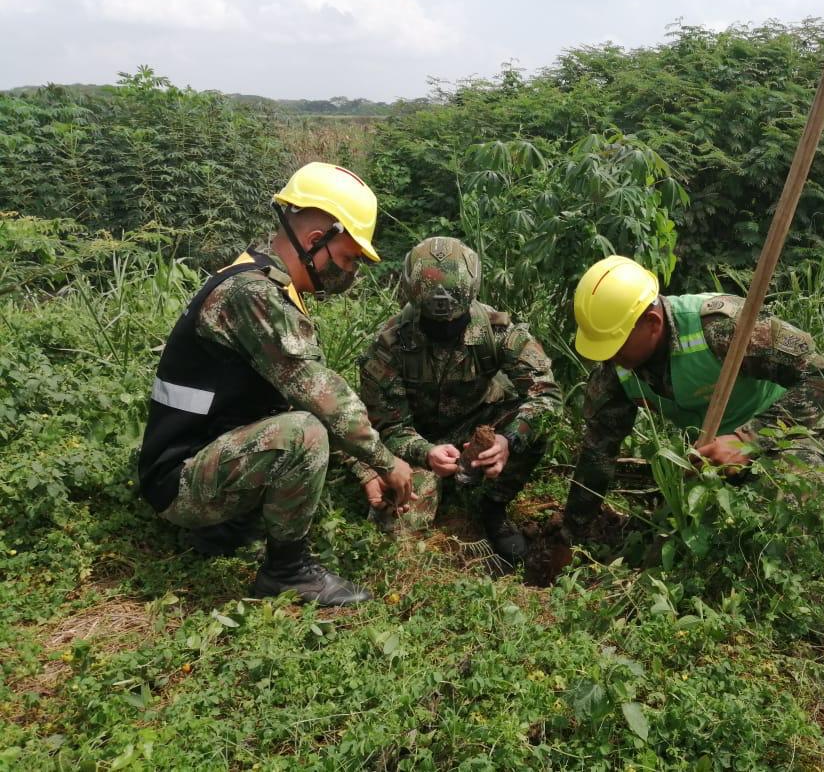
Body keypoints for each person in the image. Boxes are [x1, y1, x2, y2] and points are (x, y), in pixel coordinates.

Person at [138, 162, 413, 607]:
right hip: (180, 482)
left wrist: (363, 467)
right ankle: (286, 571)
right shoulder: (253, 294)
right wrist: (385, 462)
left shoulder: (267, 283)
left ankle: (222, 530)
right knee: (304, 430)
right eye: (348, 259)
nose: (351, 272)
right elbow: (322, 396)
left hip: (199, 457)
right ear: (314, 240)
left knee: (297, 418)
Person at [563, 255, 824, 533]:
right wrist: (570, 532)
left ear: (652, 322)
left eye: (617, 343)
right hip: (712, 461)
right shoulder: (617, 368)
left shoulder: (723, 326)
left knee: (787, 508)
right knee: (675, 533)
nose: (610, 355)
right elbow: (598, 450)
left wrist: (748, 440)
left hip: (788, 440)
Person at [351, 237, 561, 564]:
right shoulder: (389, 344)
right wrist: (426, 452)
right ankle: (438, 486)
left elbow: (546, 393)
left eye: (454, 321)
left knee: (536, 423)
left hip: (475, 427)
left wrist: (507, 440)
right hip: (415, 443)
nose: (445, 330)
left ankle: (492, 507)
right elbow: (389, 424)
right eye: (434, 324)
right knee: (398, 546)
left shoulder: (498, 332)